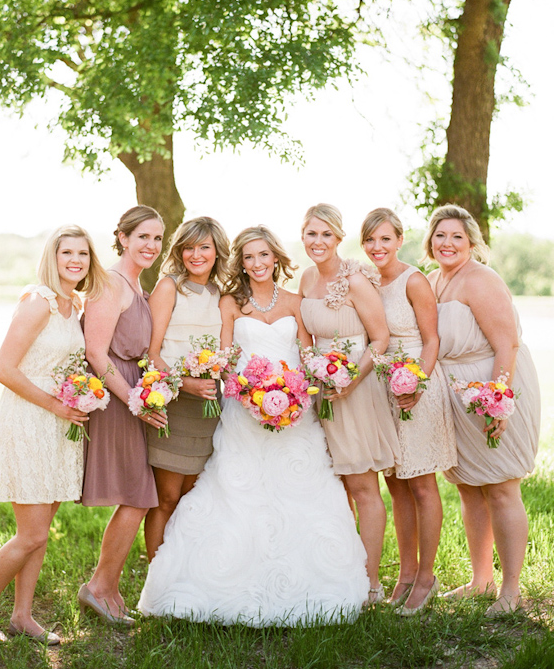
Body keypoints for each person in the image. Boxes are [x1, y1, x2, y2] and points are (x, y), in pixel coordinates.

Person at [138, 225, 370, 625]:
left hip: (295, 416)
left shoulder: (297, 302)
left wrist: (299, 392)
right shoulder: (230, 303)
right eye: (248, 257)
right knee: (238, 492)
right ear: (240, 263)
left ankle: (314, 583)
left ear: (277, 258)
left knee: (300, 493)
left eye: (264, 255)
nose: (257, 264)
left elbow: (307, 355)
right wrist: (247, 393)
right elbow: (226, 360)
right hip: (243, 411)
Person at [0, 225, 106, 644]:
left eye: (83, 254)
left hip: (60, 425)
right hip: (29, 422)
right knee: (30, 533)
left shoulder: (75, 303)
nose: (76, 260)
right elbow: (3, 369)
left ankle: (23, 616)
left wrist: (81, 395)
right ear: (53, 256)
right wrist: (54, 404)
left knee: (42, 531)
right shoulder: (38, 301)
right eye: (67, 252)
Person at [424, 204, 540, 616]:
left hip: (492, 385)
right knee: (470, 488)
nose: (448, 243)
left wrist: (498, 400)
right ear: (430, 241)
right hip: (456, 393)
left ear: (471, 241)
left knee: (502, 487)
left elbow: (506, 342)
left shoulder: (481, 280)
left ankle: (511, 590)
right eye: (441, 236)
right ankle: (480, 580)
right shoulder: (435, 280)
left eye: (457, 236)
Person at [299, 203, 400, 605]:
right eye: (311, 234)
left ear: (339, 238)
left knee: (362, 486)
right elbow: (304, 334)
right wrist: (311, 366)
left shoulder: (356, 281)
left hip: (355, 390)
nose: (318, 241)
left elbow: (380, 339)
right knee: (333, 487)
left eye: (326, 234)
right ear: (303, 237)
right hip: (319, 390)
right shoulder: (306, 278)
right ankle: (338, 572)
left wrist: (349, 381)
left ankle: (370, 582)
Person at [361, 207, 457, 614]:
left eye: (385, 239)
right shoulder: (365, 281)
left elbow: (432, 339)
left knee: (420, 483)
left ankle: (427, 577)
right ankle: (405, 573)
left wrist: (416, 381)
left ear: (400, 240)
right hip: (380, 385)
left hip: (417, 380)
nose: (377, 247)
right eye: (370, 239)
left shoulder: (413, 280)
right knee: (395, 484)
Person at [79, 205, 166, 626]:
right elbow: (96, 353)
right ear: (124, 238)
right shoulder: (111, 283)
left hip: (133, 392)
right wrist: (134, 399)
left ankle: (104, 585)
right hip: (115, 398)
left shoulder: (136, 283)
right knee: (137, 493)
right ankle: (99, 587)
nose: (151, 245)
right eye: (143, 237)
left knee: (139, 493)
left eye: (157, 238)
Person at [143, 216, 230, 561]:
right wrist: (184, 383)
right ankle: (156, 577)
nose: (196, 254)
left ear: (217, 251)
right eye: (189, 247)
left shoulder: (221, 294)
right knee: (166, 497)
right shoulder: (169, 287)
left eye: (204, 247)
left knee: (191, 496)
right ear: (179, 250)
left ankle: (183, 570)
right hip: (173, 403)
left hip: (208, 407)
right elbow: (150, 353)